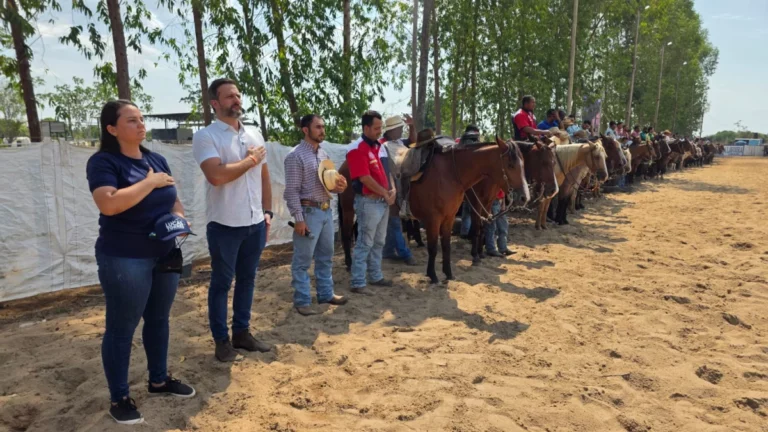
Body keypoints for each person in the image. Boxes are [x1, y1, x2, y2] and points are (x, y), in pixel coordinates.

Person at [86, 100, 196, 425]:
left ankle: (159, 380)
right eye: (131, 120)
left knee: (159, 319)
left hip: (164, 251)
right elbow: (108, 204)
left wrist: (179, 221)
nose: (140, 124)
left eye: (141, 118)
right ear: (112, 128)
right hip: (124, 256)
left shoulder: (155, 158)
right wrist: (149, 182)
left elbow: (174, 199)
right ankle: (119, 397)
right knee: (122, 328)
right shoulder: (104, 161)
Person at [193, 78, 273, 362]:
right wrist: (250, 161)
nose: (236, 100)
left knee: (248, 280)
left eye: (238, 95)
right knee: (222, 283)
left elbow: (263, 176)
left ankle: (242, 333)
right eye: (229, 97)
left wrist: (268, 212)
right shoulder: (206, 136)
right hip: (225, 224)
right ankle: (221, 340)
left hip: (254, 223)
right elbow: (216, 176)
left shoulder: (254, 134)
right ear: (215, 103)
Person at [283, 115, 349, 316]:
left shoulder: (323, 154)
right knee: (303, 259)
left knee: (325, 256)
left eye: (323, 127)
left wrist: (340, 186)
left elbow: (329, 186)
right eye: (318, 127)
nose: (322, 130)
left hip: (325, 209)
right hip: (309, 212)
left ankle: (325, 294)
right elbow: (292, 191)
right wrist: (299, 219)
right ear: (305, 130)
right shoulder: (295, 156)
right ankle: (302, 300)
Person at [346, 110, 396, 295]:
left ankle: (375, 275)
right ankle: (358, 281)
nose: (379, 131)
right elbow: (364, 178)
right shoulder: (356, 148)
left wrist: (392, 189)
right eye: (376, 128)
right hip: (369, 202)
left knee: (379, 241)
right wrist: (385, 192)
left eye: (380, 128)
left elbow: (386, 171)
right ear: (366, 127)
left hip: (381, 201)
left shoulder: (379, 147)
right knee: (365, 242)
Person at [379, 114, 417, 266]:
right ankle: (405, 253)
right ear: (391, 131)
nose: (402, 131)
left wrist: (412, 126)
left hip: (402, 183)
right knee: (394, 221)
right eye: (399, 129)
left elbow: (413, 141)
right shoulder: (384, 147)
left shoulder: (400, 142)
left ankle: (387, 251)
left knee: (392, 221)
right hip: (392, 185)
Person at [459, 125, 480, 238]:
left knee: (467, 207)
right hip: (471, 181)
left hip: (461, 180)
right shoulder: (476, 145)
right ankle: (469, 232)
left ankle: (465, 231)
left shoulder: (459, 142)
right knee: (471, 207)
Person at [484, 189, 514, 257]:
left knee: (503, 226)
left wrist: (503, 203)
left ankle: (503, 248)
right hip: (492, 202)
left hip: (498, 202)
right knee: (491, 227)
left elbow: (503, 191)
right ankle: (491, 249)